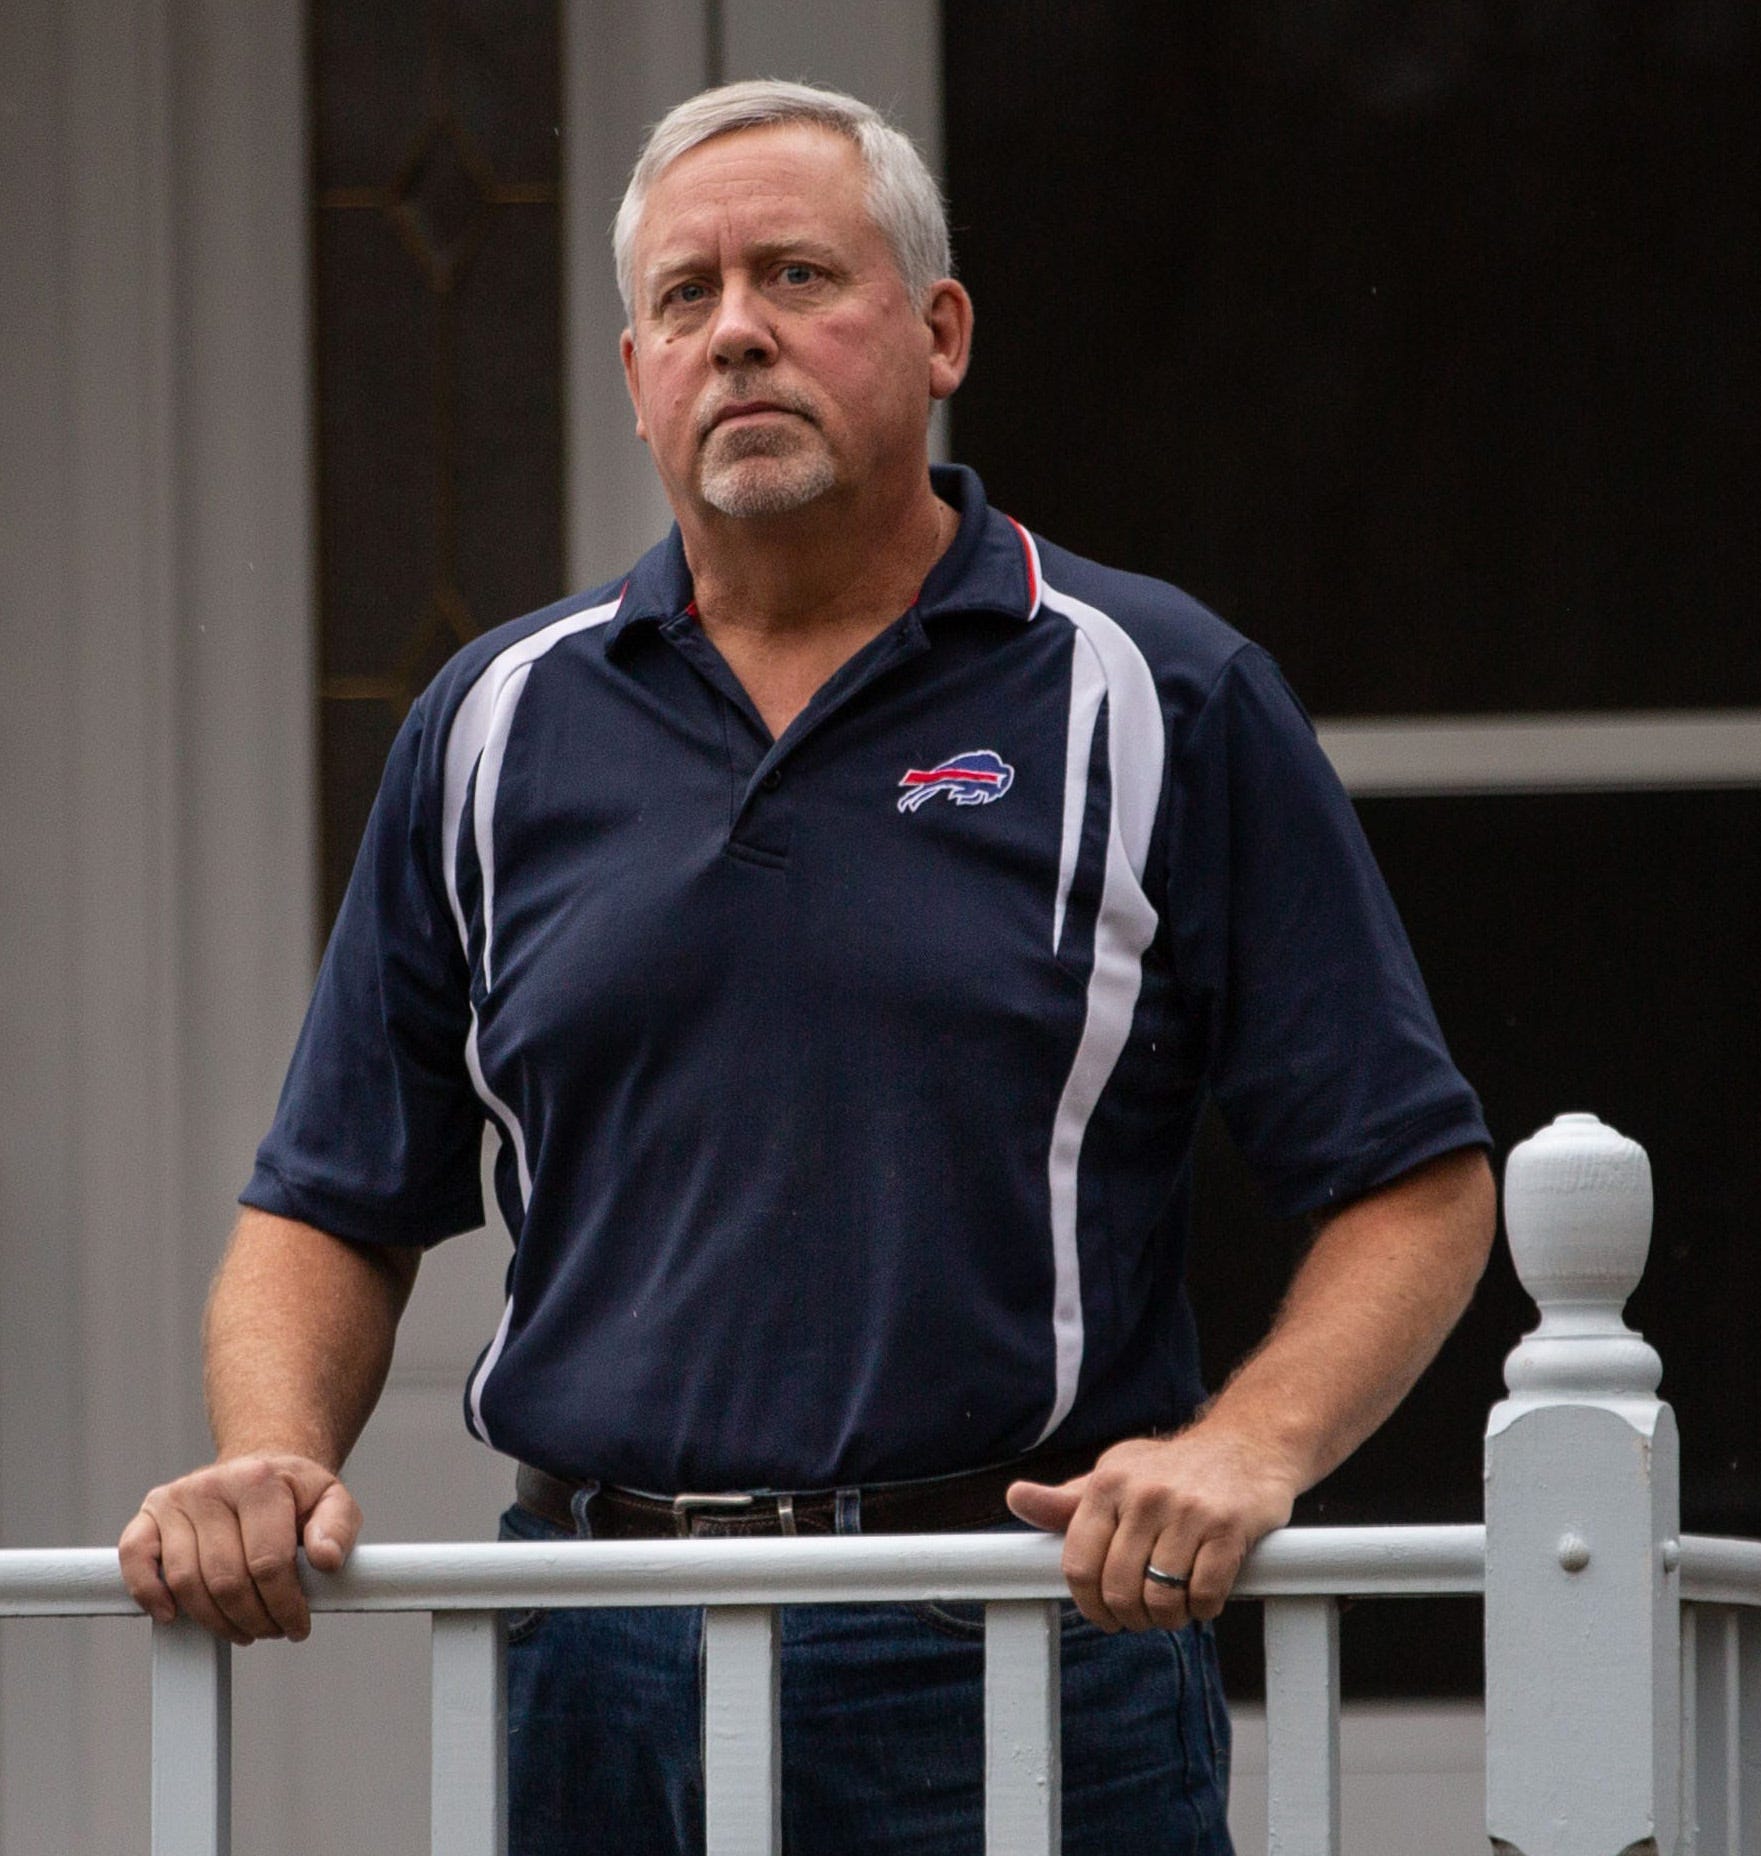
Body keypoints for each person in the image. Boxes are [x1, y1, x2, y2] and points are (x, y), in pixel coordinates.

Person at [118, 78, 1494, 1854]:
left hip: (1004, 1635)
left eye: (797, 278)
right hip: (586, 1656)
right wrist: (273, 1451)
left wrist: (1249, 1447)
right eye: (687, 299)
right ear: (634, 375)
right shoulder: (493, 724)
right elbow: (327, 1203)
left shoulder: (1150, 691)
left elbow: (1412, 1180)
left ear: (938, 335)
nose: (739, 334)